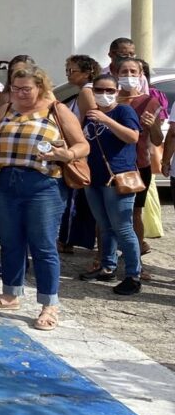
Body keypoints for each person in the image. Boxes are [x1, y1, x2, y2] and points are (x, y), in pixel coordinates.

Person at [0, 66, 88, 331]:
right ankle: (10, 294)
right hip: (6, 182)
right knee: (10, 242)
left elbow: (83, 145)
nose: (20, 93)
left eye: (26, 89)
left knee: (43, 246)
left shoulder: (56, 110)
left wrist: (66, 155)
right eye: (15, 88)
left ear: (40, 86)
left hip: (43, 185)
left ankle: (49, 305)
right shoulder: (6, 109)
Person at [78, 74, 142, 295]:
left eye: (109, 91)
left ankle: (133, 275)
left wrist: (107, 120)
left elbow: (132, 137)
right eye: (99, 90)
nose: (104, 94)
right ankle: (107, 266)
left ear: (117, 92)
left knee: (123, 227)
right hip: (94, 177)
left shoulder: (123, 111)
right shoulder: (90, 115)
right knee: (104, 226)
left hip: (117, 177)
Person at [115, 57, 162, 264]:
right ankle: (104, 258)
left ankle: (135, 260)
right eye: (124, 71)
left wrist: (153, 126)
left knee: (135, 213)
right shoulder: (109, 98)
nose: (129, 76)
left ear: (141, 75)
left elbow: (158, 140)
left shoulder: (149, 102)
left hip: (139, 165)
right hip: (112, 165)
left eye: (133, 72)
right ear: (116, 74)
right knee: (106, 215)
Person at [58, 55, 101, 254]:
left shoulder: (86, 91)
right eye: (67, 70)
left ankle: (67, 239)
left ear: (87, 72)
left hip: (81, 151)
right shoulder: (81, 91)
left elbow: (89, 122)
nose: (68, 74)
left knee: (75, 197)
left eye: (73, 70)